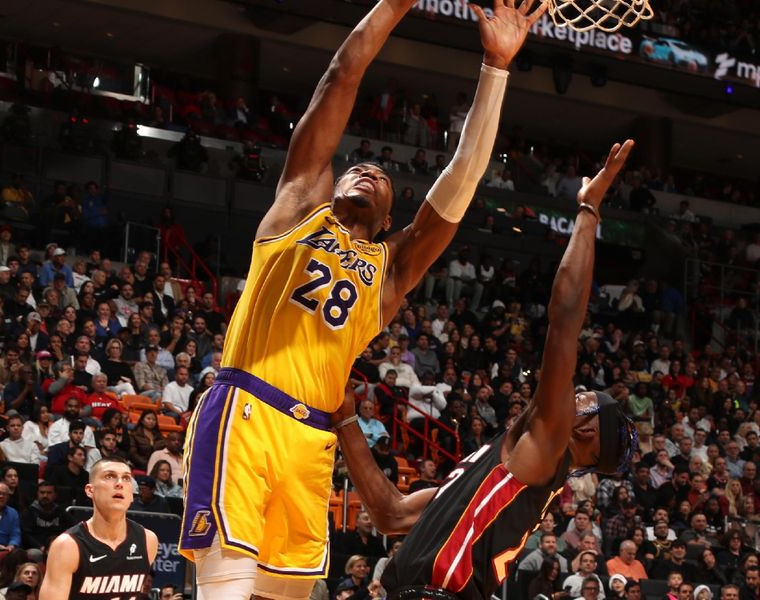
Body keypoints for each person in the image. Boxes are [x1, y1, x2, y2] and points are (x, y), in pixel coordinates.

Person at [181, 1, 551, 599]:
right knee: (224, 590)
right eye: (360, 166)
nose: (369, 170)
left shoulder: (391, 269)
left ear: (388, 218)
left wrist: (496, 68)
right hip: (245, 409)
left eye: (383, 177)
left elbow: (462, 178)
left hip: (311, 443)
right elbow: (341, 77)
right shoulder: (299, 207)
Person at [333, 133, 635, 600]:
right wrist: (346, 417)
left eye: (583, 400)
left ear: (589, 431)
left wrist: (588, 210)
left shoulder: (549, 444)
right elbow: (390, 512)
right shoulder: (494, 479)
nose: (571, 395)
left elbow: (565, 321)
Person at [40, 457, 158, 599]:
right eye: (110, 476)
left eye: (126, 478)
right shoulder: (67, 546)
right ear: (90, 490)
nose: (120, 483)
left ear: (132, 495)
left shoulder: (148, 540)